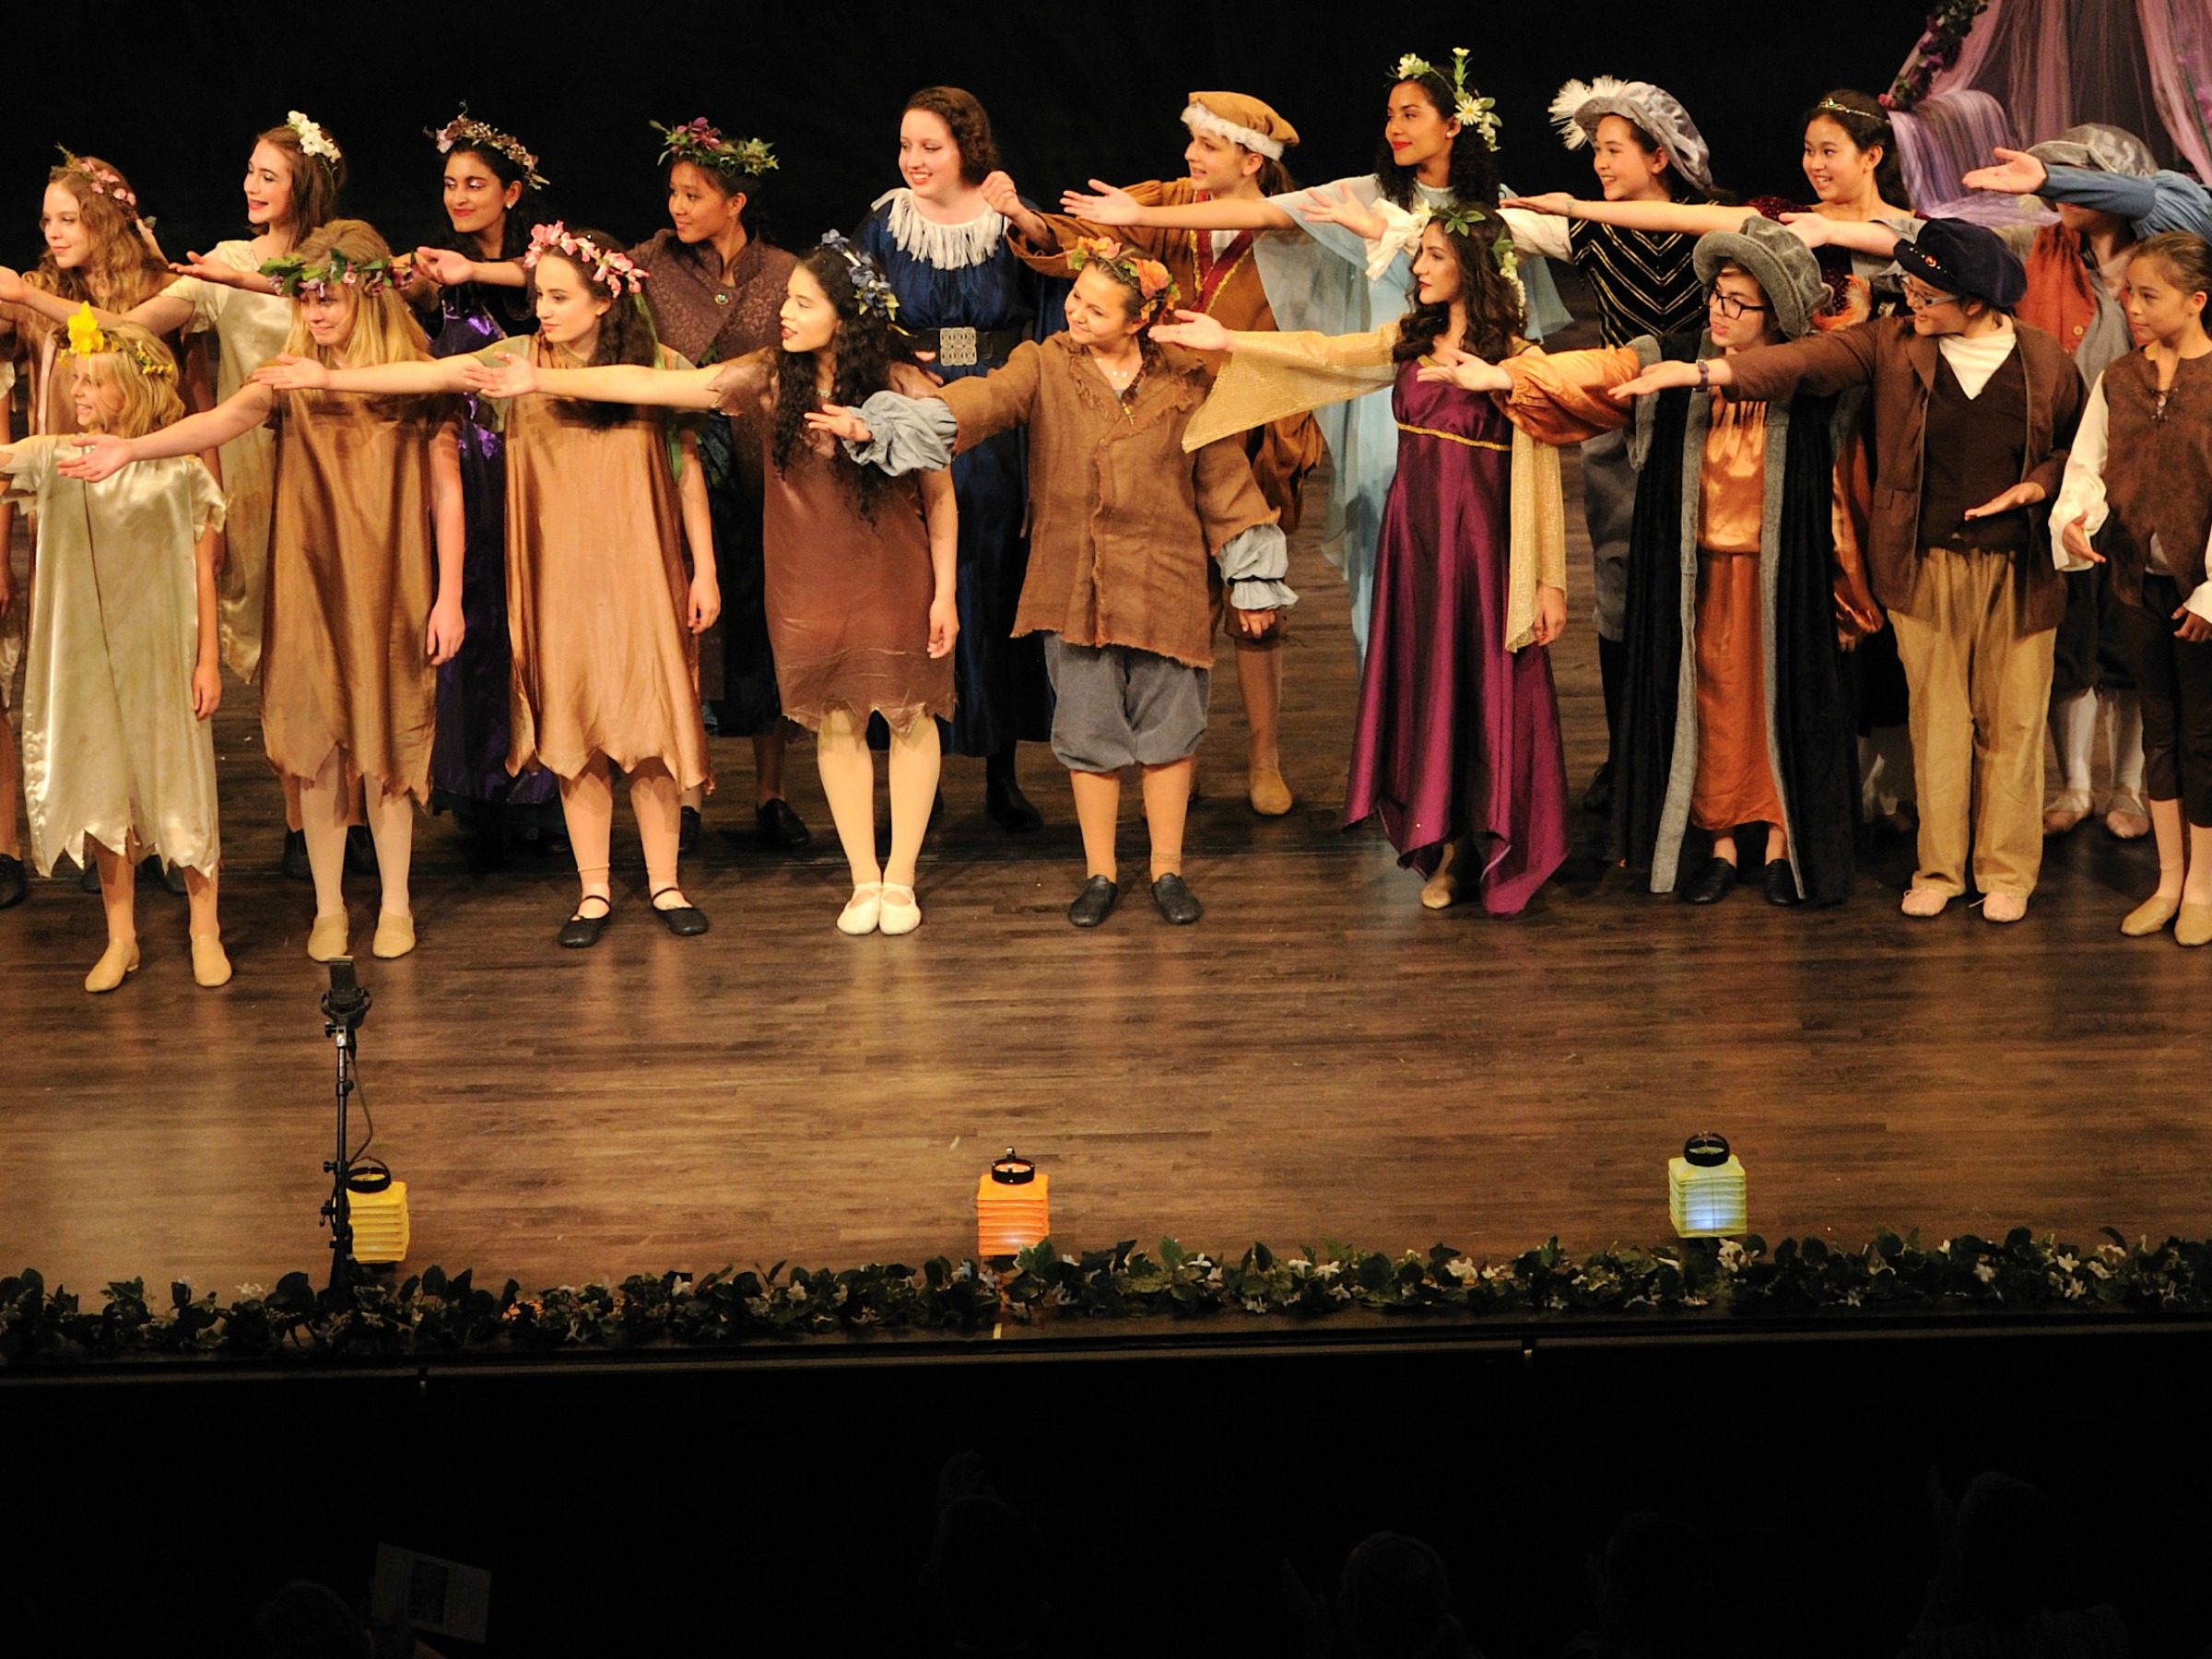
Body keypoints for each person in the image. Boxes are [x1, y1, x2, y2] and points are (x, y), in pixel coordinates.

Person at [465, 235, 956, 935]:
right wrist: (541, 381)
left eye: (803, 304)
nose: (784, 313)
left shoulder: (901, 386)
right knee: (837, 723)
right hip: (810, 579)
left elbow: (941, 498)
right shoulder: (767, 374)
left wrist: (944, 594)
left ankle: (900, 879)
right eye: (787, 298)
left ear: (845, 319)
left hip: (894, 574)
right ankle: (862, 880)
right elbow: (650, 384)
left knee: (908, 717)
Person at [259, 222, 719, 946]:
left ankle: (664, 882)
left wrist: (706, 569)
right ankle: (594, 888)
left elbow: (686, 464)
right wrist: (327, 377)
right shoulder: (513, 362)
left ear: (604, 301)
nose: (543, 309)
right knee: (575, 725)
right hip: (557, 570)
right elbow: (428, 374)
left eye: (559, 297)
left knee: (651, 724)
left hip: (642, 567)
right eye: (538, 296)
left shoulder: (654, 363)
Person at [1611, 219, 2084, 923]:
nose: (1912, 300)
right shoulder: (1894, 345)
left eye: (1927, 292)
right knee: (1937, 721)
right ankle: (1940, 868)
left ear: (1976, 303)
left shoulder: (2043, 359)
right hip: (1925, 562)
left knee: (2013, 724)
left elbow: (2075, 449)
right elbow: (1804, 363)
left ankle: (2006, 872)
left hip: (2018, 567)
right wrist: (1708, 370)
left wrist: (2040, 487)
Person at [813, 238, 1295, 926]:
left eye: (1096, 309)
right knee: (1089, 732)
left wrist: (1250, 580)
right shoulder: (1044, 364)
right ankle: (1100, 872)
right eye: (1075, 299)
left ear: (1139, 320)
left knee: (1169, 733)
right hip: (1078, 582)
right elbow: (979, 403)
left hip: (1167, 578)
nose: (1075, 313)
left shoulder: (1187, 379)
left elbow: (1224, 478)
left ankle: (1166, 869)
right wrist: (883, 423)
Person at [1507, 88, 1924, 835]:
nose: (1815, 164)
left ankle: (1886, 773)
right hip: (1793, 428)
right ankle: (1784, 774)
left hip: (1874, 432)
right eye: (1808, 150)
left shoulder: (1911, 237)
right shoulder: (1785, 227)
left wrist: (1884, 238)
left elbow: (1959, 261)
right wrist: (1576, 206)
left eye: (1831, 150)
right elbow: (1677, 216)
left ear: (1873, 156)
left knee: (1874, 593)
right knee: (1787, 602)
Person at [1062, 49, 1570, 657]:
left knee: (1471, 548)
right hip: (1383, 382)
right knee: (1385, 544)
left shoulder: (1495, 207)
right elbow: (1263, 211)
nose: (1394, 128)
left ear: (1453, 125)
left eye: (1410, 114)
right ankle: (1387, 713)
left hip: (1474, 393)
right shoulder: (1367, 195)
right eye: (1389, 115)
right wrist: (1144, 213)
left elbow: (1520, 313)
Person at [1440, 216, 1880, 906]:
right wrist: (1506, 373)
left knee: (1782, 702)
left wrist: (1846, 594)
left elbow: (1837, 492)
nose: (1721, 310)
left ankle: (1780, 840)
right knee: (1709, 704)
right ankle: (1723, 841)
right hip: (1697, 581)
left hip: (1779, 583)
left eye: (1739, 301)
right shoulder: (1670, 355)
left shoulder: (1804, 376)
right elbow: (1599, 369)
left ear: (1774, 310)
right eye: (1717, 296)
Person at [65, 219, 466, 960]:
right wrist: (133, 447)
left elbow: (446, 494)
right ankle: (327, 906)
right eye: (305, 299)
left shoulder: (414, 374)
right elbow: (221, 419)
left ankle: (398, 903)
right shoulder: (288, 372)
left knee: (387, 735)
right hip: (310, 575)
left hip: (392, 579)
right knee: (314, 738)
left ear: (368, 299)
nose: (314, 314)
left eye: (329, 300)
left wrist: (447, 596)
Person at [1162, 211, 1569, 915]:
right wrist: (1230, 338)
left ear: (1470, 267)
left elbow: (1543, 475)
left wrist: (1548, 580)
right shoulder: (1407, 344)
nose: (1417, 269)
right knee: (1428, 690)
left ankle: (1487, 841)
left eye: (1432, 256)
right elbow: (1323, 353)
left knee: (1482, 691)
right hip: (1417, 548)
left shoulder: (1516, 360)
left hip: (1484, 555)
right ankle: (1443, 847)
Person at [4, 114, 347, 880]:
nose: (252, 186)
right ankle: (299, 822)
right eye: (250, 172)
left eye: (269, 174)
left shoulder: (336, 260)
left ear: (304, 185)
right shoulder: (223, 262)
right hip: (257, 462)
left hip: (337, 461)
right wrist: (33, 301)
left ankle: (337, 817)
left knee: (333, 637)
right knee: (273, 644)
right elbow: (127, 329)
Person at [991, 89, 1323, 816]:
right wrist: (1027, 220)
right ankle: (1180, 750)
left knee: (1254, 603)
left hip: (1256, 432)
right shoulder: (1166, 201)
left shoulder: (1287, 226)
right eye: (1192, 142)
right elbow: (1087, 246)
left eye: (1207, 145)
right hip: (1170, 429)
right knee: (1181, 602)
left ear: (1249, 157)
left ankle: (1264, 757)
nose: (1190, 157)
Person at [1500, 76, 1721, 815]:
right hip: (1618, 428)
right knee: (1620, 584)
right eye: (1595, 149)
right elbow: (1493, 224)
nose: (1599, 162)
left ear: (1659, 156)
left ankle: (1705, 752)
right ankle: (1632, 751)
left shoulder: (1714, 224)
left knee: (1707, 586)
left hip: (1706, 426)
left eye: (1614, 149)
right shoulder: (1588, 229)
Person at [2, 311, 227, 990]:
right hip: (86, 656)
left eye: (96, 384)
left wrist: (208, 659)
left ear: (133, 386)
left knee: (179, 783)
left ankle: (204, 929)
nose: (80, 395)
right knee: (103, 785)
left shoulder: (177, 471)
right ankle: (120, 935)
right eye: (78, 383)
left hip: (161, 651)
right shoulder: (55, 456)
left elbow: (201, 572)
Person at [856, 86, 1057, 832]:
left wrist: (1024, 218)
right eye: (907, 145)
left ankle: (1002, 769)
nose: (914, 160)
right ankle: (922, 771)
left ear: (968, 147)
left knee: (996, 582)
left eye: (930, 146)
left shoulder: (1006, 211)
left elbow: (1064, 279)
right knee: (916, 591)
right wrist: (890, 366)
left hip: (995, 425)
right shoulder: (886, 221)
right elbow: (849, 309)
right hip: (912, 412)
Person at [0, 152, 183, 900]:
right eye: (46, 220)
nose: (53, 231)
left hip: (141, 502)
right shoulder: (38, 294)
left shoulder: (154, 290)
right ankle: (106, 833)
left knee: (148, 673)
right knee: (85, 674)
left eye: (68, 218)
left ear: (104, 221)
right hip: (66, 509)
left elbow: (135, 340)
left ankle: (164, 838)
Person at [631, 116, 807, 853]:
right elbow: (572, 273)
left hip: (765, 475)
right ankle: (690, 793)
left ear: (734, 202)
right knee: (688, 623)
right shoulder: (651, 262)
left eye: (693, 194)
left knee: (766, 624)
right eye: (672, 192)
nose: (677, 207)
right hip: (680, 472)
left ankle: (772, 793)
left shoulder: (782, 272)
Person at [394, 110, 562, 841]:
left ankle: (546, 787)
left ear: (513, 192)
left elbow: (535, 276)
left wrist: (473, 271)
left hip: (532, 468)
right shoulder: (440, 270)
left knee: (535, 618)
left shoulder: (545, 267)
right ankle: (477, 789)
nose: (459, 197)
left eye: (475, 184)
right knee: (470, 613)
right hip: (460, 468)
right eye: (450, 184)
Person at [2049, 232, 2212, 947]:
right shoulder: (2120, 377)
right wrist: (2077, 518)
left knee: (2203, 737)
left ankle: (2204, 885)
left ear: (2196, 300)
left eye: (2150, 295)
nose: (2133, 306)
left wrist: (2211, 594)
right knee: (2161, 730)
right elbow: (2090, 463)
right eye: (2130, 292)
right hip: (2135, 582)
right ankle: (2168, 879)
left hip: (2199, 590)